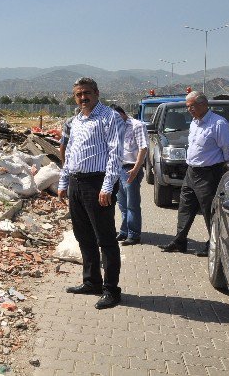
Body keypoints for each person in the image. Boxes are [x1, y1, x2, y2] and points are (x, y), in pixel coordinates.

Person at [58, 77, 125, 309]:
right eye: (78, 94)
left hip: (97, 184)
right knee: (83, 237)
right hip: (77, 183)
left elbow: (116, 154)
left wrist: (107, 186)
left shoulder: (110, 117)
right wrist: (63, 182)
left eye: (86, 93)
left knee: (105, 239)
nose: (82, 97)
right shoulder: (76, 120)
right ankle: (91, 282)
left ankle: (111, 290)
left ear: (96, 93)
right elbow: (70, 154)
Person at [160, 91, 229, 256]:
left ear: (203, 104)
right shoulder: (194, 122)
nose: (189, 110)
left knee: (209, 210)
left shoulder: (218, 124)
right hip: (191, 171)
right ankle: (180, 241)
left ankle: (213, 244)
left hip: (209, 174)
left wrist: (216, 166)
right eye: (187, 106)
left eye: (191, 106)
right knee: (185, 208)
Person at [109, 104, 148, 246]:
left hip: (131, 169)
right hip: (118, 168)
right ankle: (124, 231)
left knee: (132, 204)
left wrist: (136, 169)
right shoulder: (115, 127)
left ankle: (134, 234)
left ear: (122, 113)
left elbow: (143, 148)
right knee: (122, 204)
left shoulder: (137, 125)